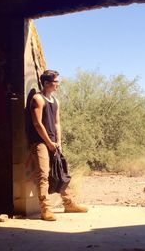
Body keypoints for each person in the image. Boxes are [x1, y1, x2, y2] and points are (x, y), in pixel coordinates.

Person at [30, 69, 88, 221]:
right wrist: (48, 143)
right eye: (56, 82)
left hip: (53, 143)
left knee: (61, 173)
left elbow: (57, 123)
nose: (58, 85)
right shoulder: (38, 99)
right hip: (41, 143)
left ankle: (69, 204)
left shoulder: (55, 101)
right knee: (43, 176)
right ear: (47, 83)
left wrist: (58, 143)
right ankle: (45, 210)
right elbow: (37, 123)